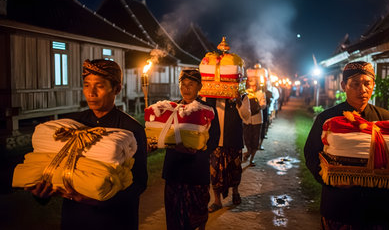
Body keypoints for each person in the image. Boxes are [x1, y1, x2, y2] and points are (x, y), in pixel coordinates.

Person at [28, 59, 148, 230]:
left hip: (114, 220)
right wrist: (42, 194)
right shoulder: (73, 125)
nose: (91, 93)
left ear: (117, 89)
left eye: (99, 86)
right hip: (75, 218)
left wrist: (100, 199)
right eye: (86, 85)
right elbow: (58, 166)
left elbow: (139, 184)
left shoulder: (130, 130)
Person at [304, 61, 389, 230]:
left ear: (373, 85)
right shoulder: (327, 119)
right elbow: (311, 153)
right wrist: (330, 180)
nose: (362, 90)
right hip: (339, 204)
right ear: (343, 86)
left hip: (376, 207)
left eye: (367, 83)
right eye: (355, 84)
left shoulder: (386, 119)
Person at [162, 69, 220, 230]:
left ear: (199, 87)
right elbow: (164, 133)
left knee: (197, 210)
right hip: (174, 169)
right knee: (174, 214)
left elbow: (214, 138)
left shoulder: (207, 110)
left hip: (196, 168)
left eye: (191, 85)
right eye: (183, 85)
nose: (186, 89)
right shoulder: (172, 108)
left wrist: (200, 150)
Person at [204, 87, 251, 212]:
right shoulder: (208, 96)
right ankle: (217, 201)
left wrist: (238, 101)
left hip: (233, 141)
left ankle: (235, 192)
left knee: (234, 170)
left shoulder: (242, 96)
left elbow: (247, 116)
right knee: (214, 173)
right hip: (215, 143)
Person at [242, 81, 266, 166]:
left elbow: (263, 105)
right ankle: (248, 152)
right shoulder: (246, 93)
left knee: (255, 140)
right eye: (251, 86)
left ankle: (252, 159)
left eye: (254, 86)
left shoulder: (260, 94)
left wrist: (258, 107)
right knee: (247, 138)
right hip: (247, 120)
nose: (252, 88)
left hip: (257, 120)